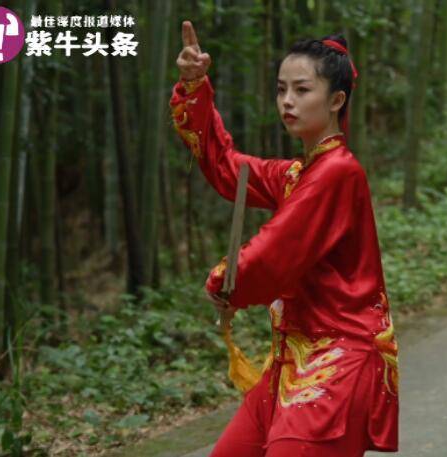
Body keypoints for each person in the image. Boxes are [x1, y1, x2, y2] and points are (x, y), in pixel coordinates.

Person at [170, 20, 399, 457]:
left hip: (338, 358)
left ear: (336, 100)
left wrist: (226, 279)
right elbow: (228, 167)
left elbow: (279, 249)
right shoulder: (299, 173)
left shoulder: (337, 173)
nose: (287, 101)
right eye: (281, 90)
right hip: (293, 358)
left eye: (301, 90)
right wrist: (194, 84)